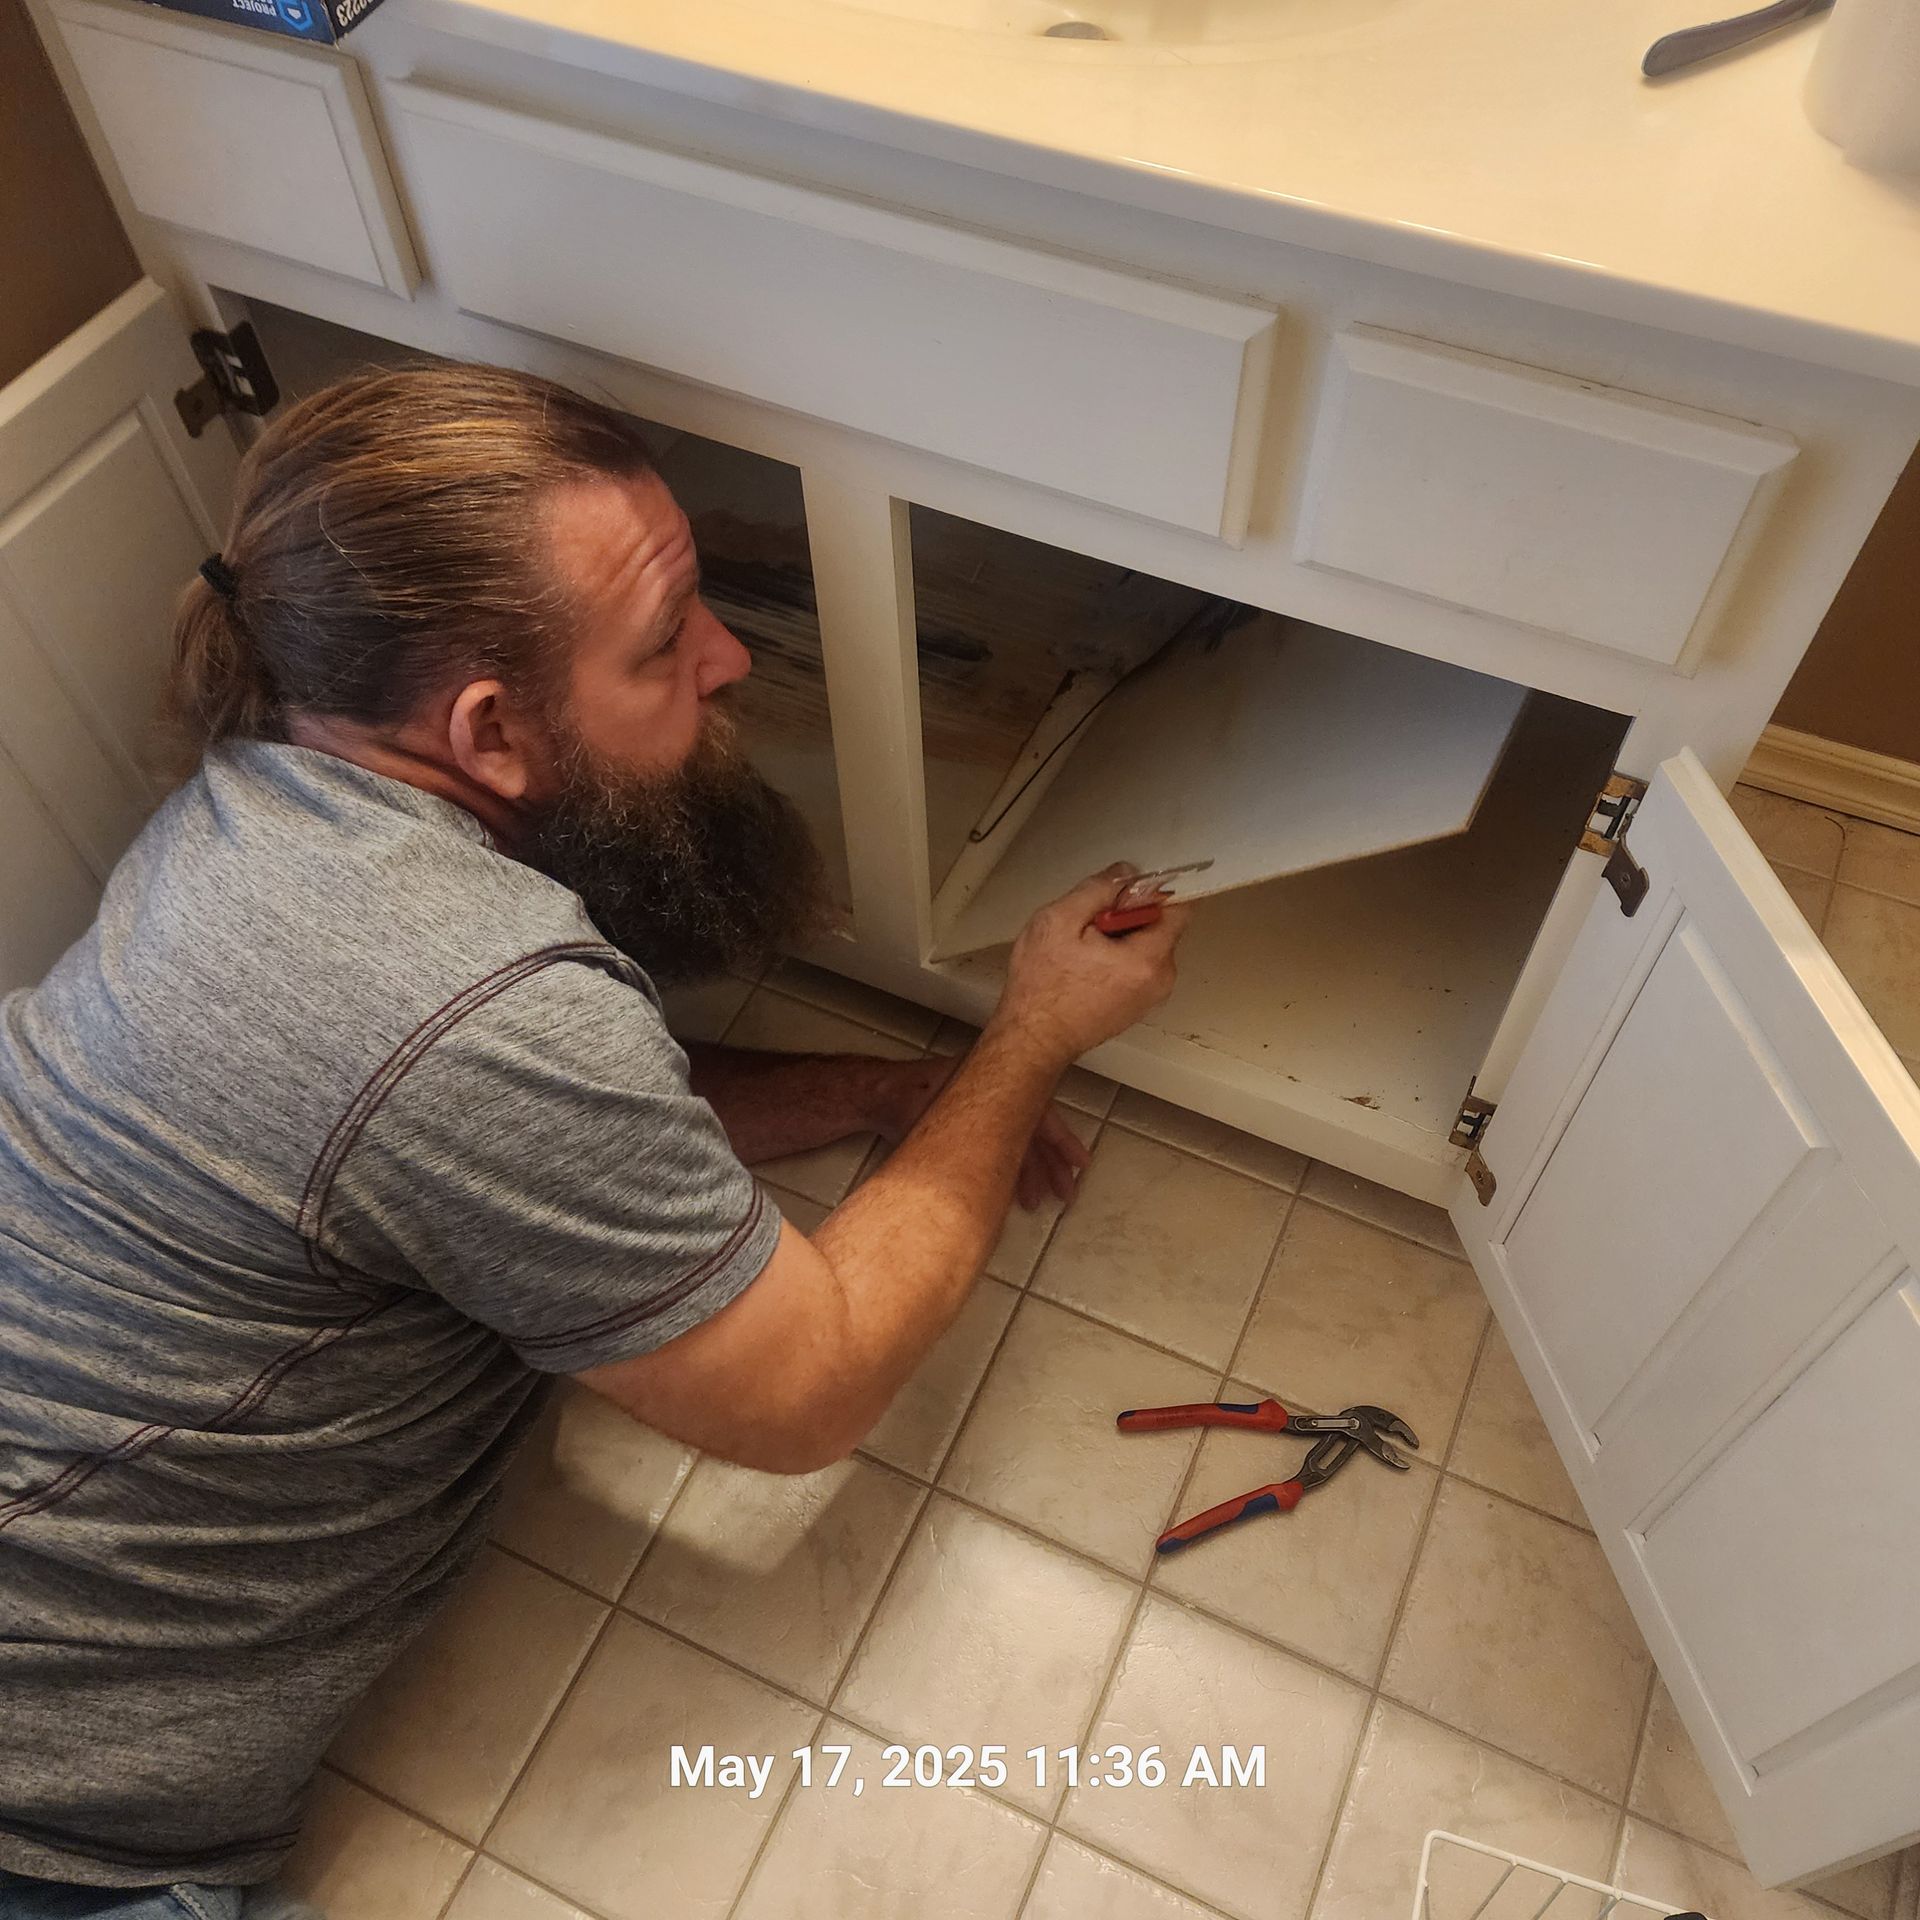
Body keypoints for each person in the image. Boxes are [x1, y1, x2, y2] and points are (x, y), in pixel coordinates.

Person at [0, 363, 1190, 1909]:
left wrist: (890, 1089)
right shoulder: (474, 1009)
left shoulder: (253, 812)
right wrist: (1030, 1033)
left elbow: (527, 1145)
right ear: (491, 731)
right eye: (662, 644)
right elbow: (808, 1389)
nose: (730, 657)